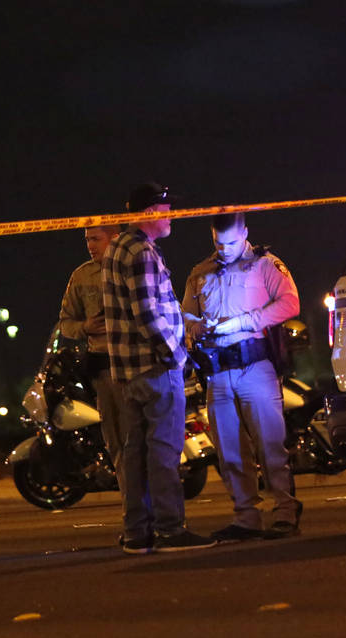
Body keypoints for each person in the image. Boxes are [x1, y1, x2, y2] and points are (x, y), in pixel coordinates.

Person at [102, 182, 215, 554]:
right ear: (151, 213)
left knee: (135, 453)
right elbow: (148, 313)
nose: (172, 217)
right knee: (165, 451)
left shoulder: (117, 247)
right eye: (167, 209)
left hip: (127, 372)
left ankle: (137, 531)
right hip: (154, 368)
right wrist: (175, 355)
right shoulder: (143, 252)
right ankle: (170, 529)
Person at [182, 212, 302, 541]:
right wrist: (194, 326)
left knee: (270, 445)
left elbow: (290, 304)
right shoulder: (201, 271)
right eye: (218, 244)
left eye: (232, 242)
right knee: (230, 450)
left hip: (255, 364)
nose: (225, 249)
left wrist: (246, 322)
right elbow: (186, 313)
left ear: (245, 233)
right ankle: (246, 516)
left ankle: (285, 511)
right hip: (218, 371)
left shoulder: (265, 264)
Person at [57, 224, 125, 468]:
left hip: (136, 364)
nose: (90, 246)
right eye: (87, 240)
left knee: (142, 438)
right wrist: (85, 327)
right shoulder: (82, 276)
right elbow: (65, 323)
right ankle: (132, 500)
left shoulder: (133, 267)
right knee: (116, 440)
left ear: (115, 238)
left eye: (96, 239)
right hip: (104, 368)